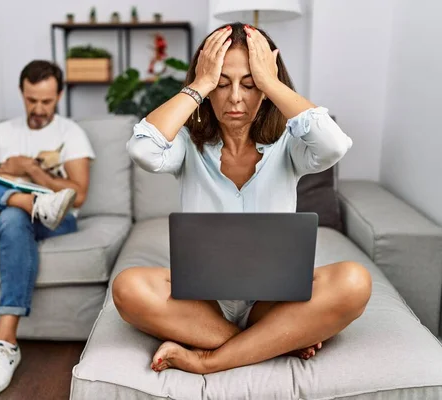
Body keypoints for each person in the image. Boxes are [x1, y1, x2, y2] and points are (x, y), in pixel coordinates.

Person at [112, 23, 372, 374]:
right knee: (128, 288)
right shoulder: (187, 145)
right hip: (202, 305)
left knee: (354, 282)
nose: (235, 97)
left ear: (264, 89)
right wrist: (199, 85)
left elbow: (335, 145)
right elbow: (142, 149)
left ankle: (211, 359)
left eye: (249, 84)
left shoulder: (290, 144)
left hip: (273, 301)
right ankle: (274, 340)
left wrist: (271, 81)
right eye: (222, 83)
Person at [0, 60, 95, 398]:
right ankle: (24, 202)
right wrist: (17, 193)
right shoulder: (2, 132)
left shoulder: (71, 133)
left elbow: (77, 194)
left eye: (46, 101)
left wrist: (28, 169)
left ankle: (5, 343)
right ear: (22, 94)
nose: (38, 109)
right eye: (31, 100)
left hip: (53, 218)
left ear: (59, 96)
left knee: (13, 217)